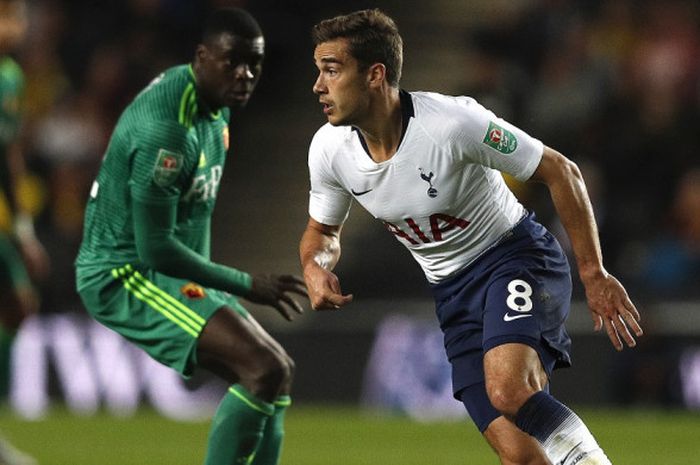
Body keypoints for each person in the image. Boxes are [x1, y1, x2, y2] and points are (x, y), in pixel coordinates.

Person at [299, 9, 643, 465]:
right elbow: (322, 232)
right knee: (520, 455)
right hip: (453, 295)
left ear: (375, 74)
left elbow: (563, 171)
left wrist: (593, 272)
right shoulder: (328, 150)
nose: (318, 86)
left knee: (507, 389)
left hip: (515, 257)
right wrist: (315, 266)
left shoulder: (451, 123)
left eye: (332, 70)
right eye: (318, 71)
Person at [75, 8, 307, 465]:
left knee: (276, 374)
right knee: (264, 368)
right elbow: (155, 248)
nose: (245, 75)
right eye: (232, 63)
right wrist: (243, 284)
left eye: (254, 65)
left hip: (161, 268)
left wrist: (208, 294)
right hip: (122, 272)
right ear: (202, 57)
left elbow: (194, 216)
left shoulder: (213, 106)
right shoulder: (168, 132)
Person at [0, 1, 49, 464]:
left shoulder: (9, 76)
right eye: (5, 16)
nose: (14, 27)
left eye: (16, 17)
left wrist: (23, 228)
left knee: (19, 308)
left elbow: (9, 153)